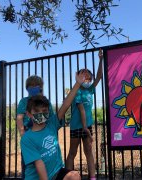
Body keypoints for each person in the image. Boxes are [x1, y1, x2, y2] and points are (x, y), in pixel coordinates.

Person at [20, 70, 88, 180]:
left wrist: (78, 83)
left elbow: (66, 104)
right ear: (29, 114)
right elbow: (39, 164)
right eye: (36, 112)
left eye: (44, 110)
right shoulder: (27, 139)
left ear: (48, 111)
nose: (41, 114)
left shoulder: (51, 123)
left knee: (74, 176)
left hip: (56, 172)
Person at [66, 49, 103, 180]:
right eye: (83, 75)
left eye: (88, 76)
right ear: (78, 77)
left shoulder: (90, 89)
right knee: (72, 152)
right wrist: (85, 128)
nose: (87, 78)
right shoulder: (76, 91)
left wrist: (101, 60)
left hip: (87, 125)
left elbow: (99, 77)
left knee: (89, 152)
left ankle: (92, 178)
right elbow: (81, 110)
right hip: (77, 126)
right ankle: (69, 176)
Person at [16, 75, 55, 178]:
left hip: (43, 133)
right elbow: (19, 118)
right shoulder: (24, 101)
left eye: (36, 85)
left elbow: (51, 118)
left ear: (41, 87)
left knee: (45, 160)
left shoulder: (45, 102)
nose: (33, 88)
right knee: (28, 163)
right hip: (29, 132)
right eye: (31, 86)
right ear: (27, 88)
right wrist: (22, 133)